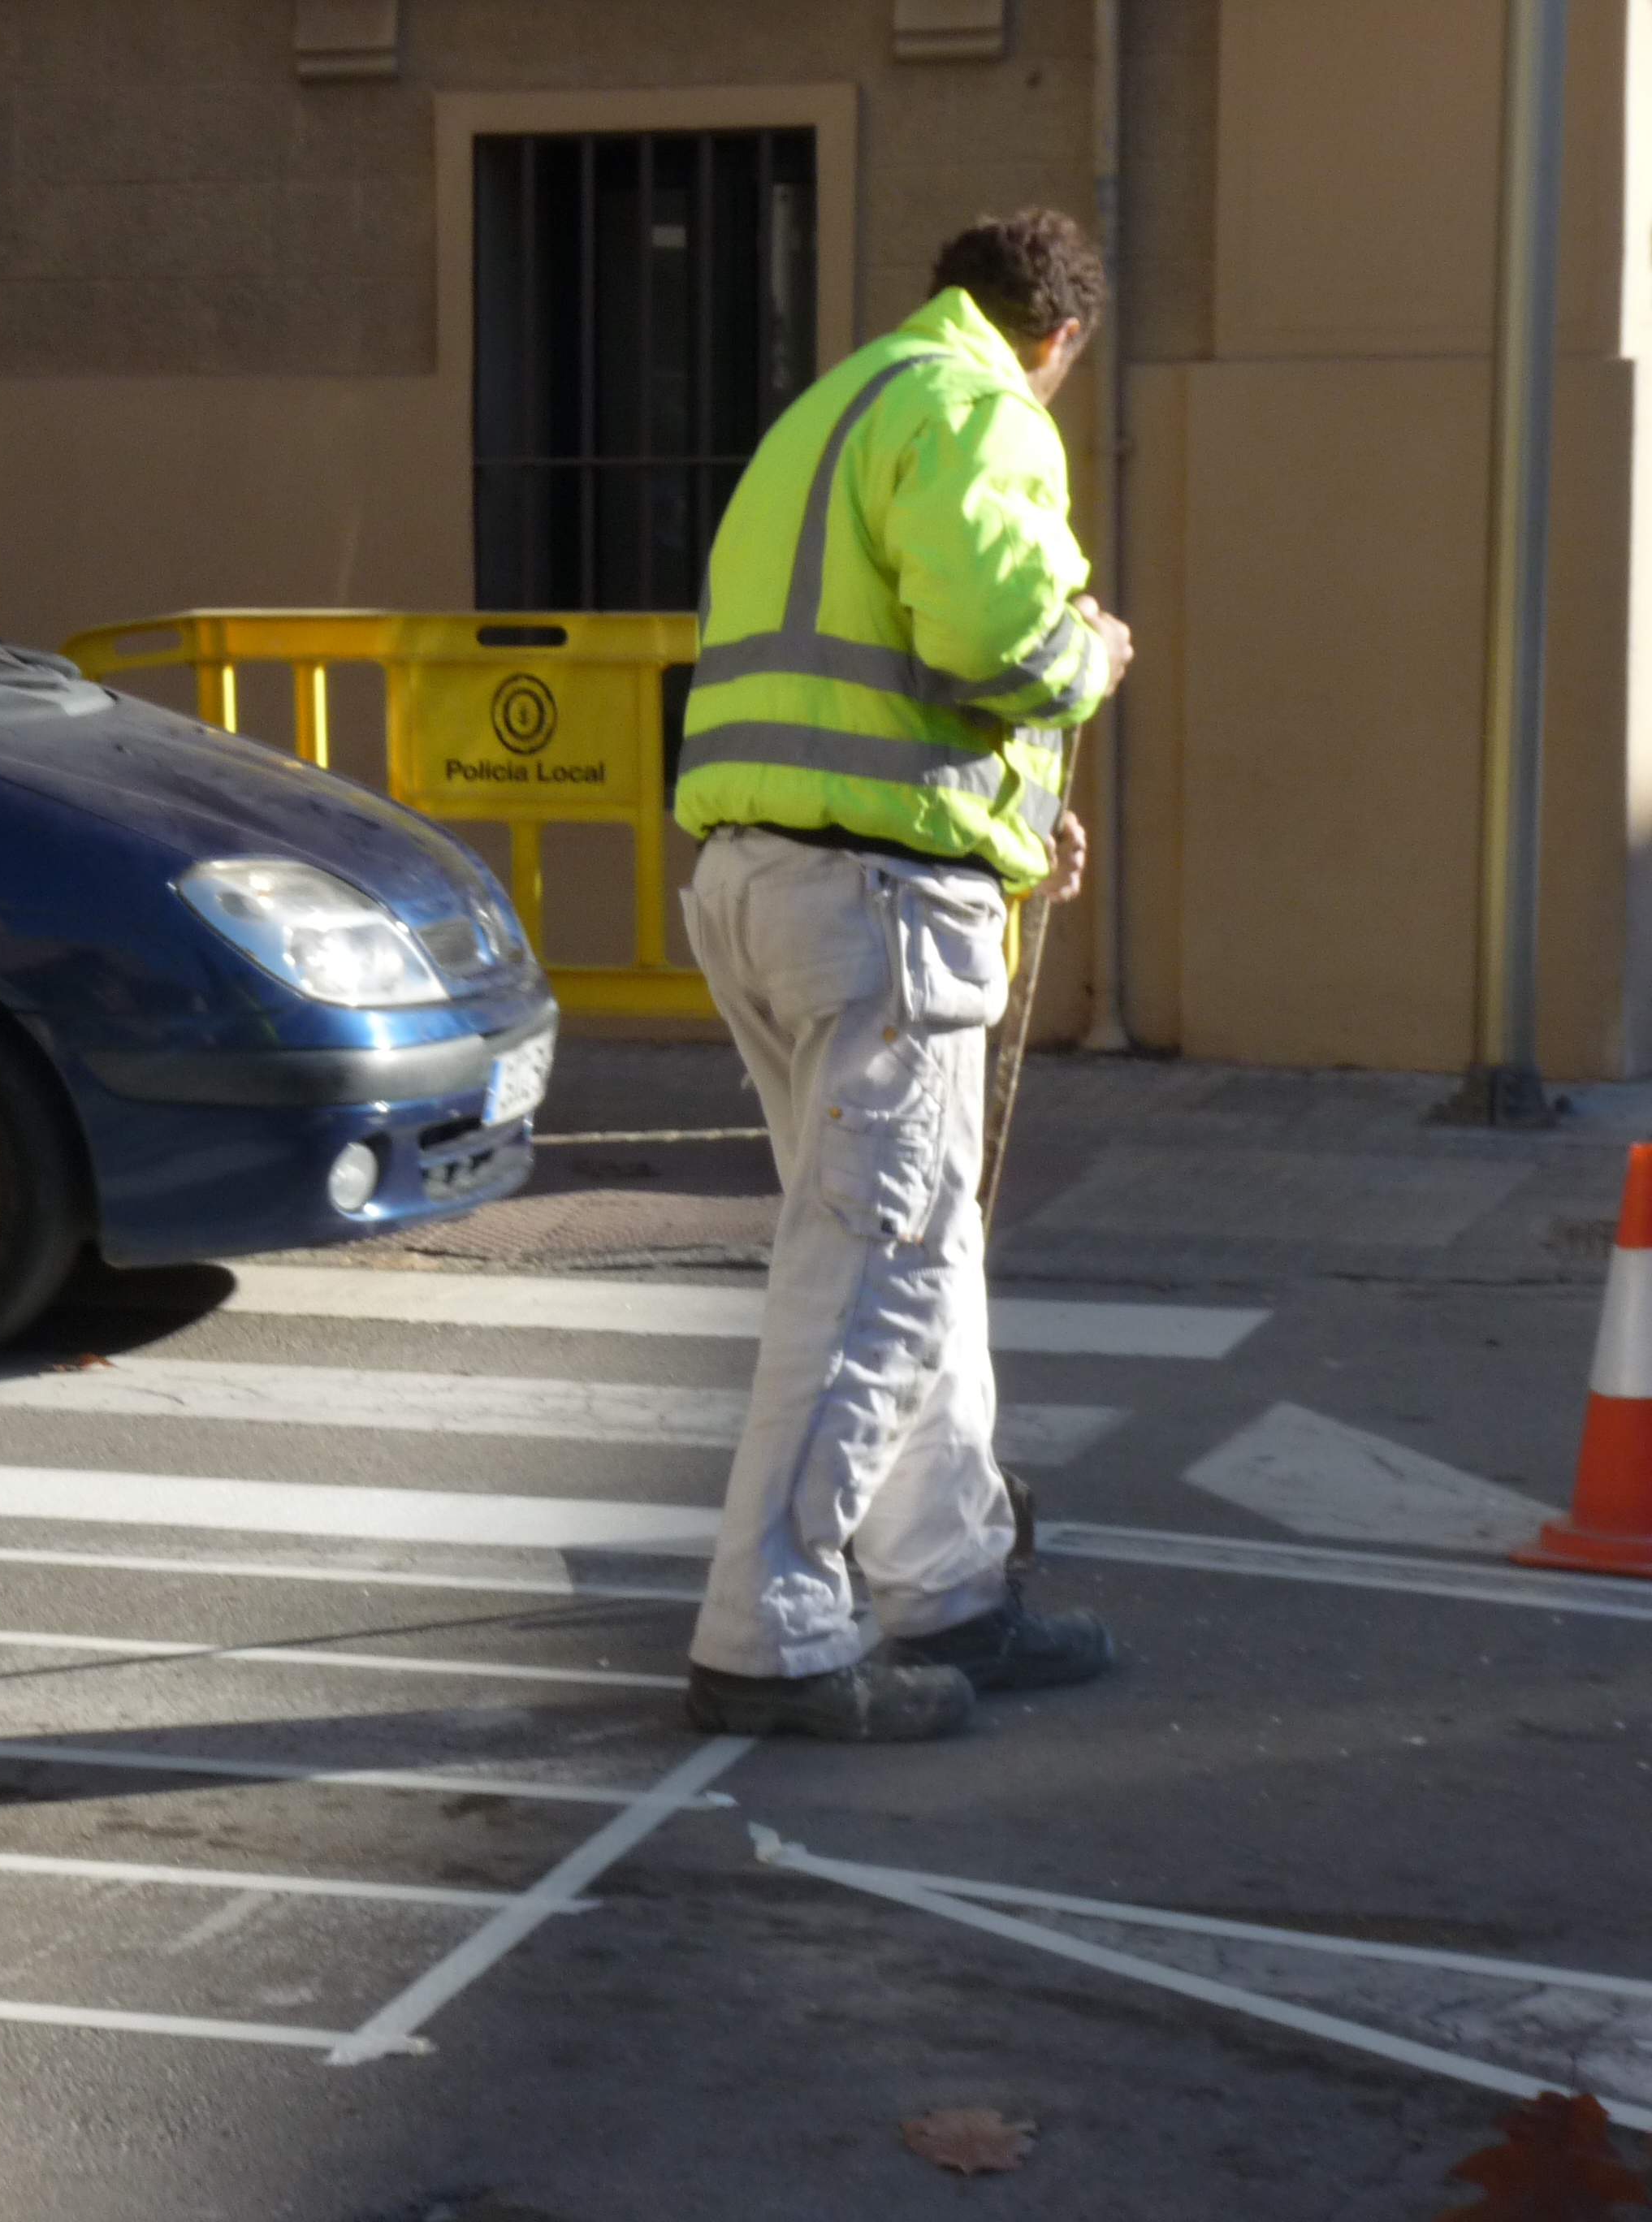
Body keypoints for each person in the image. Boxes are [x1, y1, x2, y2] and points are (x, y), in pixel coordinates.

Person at [670, 210, 1135, 1741]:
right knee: (880, 1261)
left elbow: (858, 682)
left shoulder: (836, 406)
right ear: (1057, 339)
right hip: (873, 907)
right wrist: (1090, 657)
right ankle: (773, 1626)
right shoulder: (980, 409)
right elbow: (993, 636)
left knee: (909, 1242)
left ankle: (950, 1585)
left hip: (763, 878)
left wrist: (1006, 831)